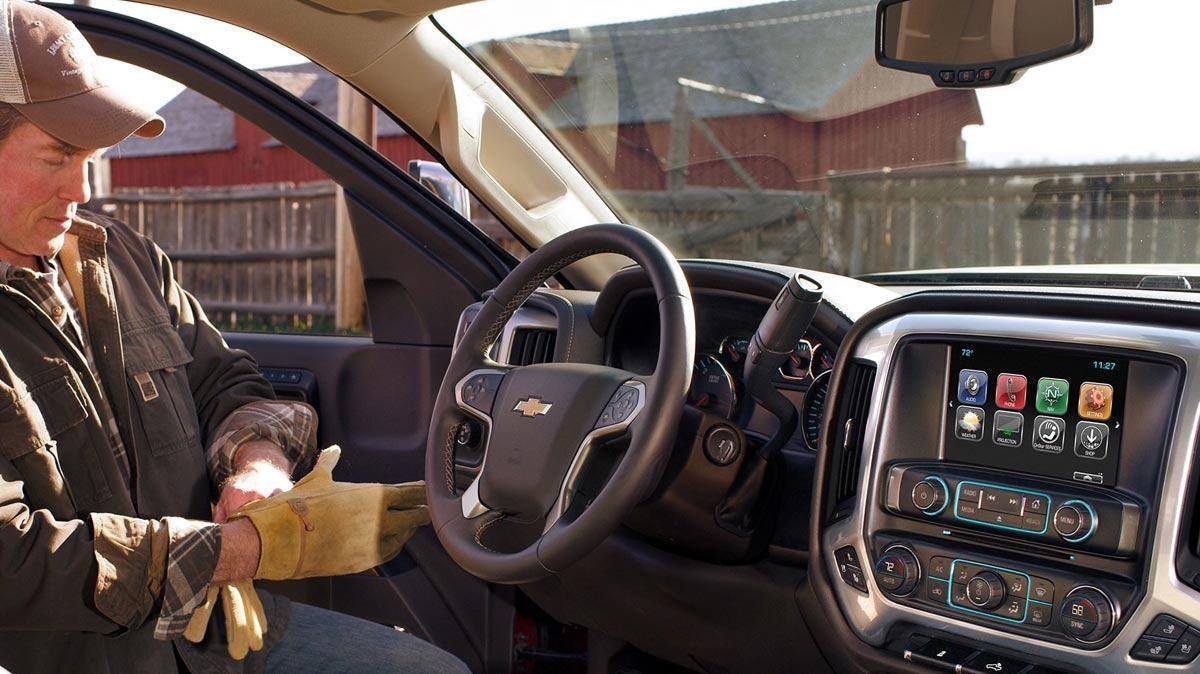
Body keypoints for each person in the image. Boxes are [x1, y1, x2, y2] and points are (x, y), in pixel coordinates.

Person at [0, 1, 468, 672]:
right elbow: (12, 561)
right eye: (56, 157)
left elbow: (229, 382)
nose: (80, 189)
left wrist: (257, 462)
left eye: (91, 159)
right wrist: (246, 550)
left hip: (215, 630)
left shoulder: (119, 256)